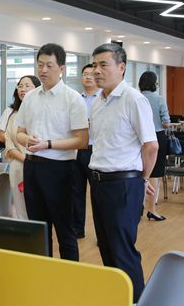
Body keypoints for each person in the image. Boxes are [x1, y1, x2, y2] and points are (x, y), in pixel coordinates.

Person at [88, 43, 158, 303]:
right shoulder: (98, 101)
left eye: (103, 65)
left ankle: (137, 300)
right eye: (94, 65)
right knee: (106, 247)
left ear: (121, 67)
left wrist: (143, 179)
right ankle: (118, 298)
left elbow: (150, 145)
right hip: (99, 183)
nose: (96, 70)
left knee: (123, 251)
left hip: (123, 185)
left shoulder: (133, 99)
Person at [16, 43, 88, 260]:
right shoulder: (30, 97)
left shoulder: (72, 98)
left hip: (60, 169)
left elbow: (82, 140)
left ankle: (69, 274)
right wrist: (27, 140)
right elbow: (19, 133)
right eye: (40, 65)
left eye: (49, 65)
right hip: (31, 166)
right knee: (38, 228)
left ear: (62, 68)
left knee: (65, 228)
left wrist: (47, 144)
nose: (43, 70)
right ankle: (42, 272)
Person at [4, 75, 41, 219]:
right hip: (18, 167)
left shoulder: (40, 113)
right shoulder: (13, 115)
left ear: (37, 89)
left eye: (27, 86)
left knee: (37, 205)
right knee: (20, 205)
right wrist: (25, 159)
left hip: (39, 165)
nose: (23, 89)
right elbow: (8, 142)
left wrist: (31, 161)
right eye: (20, 86)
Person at [73, 64, 102, 238]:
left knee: (98, 194)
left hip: (96, 149)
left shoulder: (103, 98)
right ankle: (77, 229)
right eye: (85, 74)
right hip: (77, 149)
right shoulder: (76, 99)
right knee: (76, 191)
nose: (88, 77)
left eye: (91, 74)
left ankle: (101, 234)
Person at [139, 71, 170, 221]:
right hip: (156, 137)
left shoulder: (136, 97)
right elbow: (166, 122)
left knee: (138, 172)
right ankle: (151, 210)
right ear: (154, 83)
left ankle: (137, 207)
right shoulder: (159, 99)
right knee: (153, 174)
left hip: (138, 138)